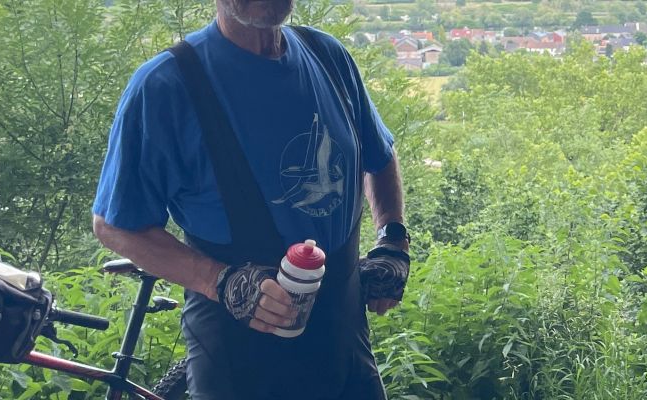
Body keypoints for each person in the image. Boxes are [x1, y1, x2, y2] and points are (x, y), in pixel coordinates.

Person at [89, 0, 413, 398]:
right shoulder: (166, 86)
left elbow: (378, 155)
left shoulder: (328, 57)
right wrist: (219, 281)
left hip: (343, 341)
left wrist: (393, 240)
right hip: (237, 358)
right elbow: (116, 225)